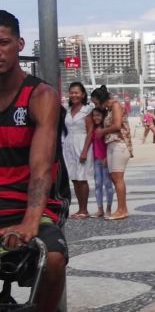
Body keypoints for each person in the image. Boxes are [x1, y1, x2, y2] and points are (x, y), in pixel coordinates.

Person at [0, 11, 71, 312]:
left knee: (54, 258)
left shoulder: (39, 96)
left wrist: (30, 222)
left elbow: (42, 166)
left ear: (19, 46)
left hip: (32, 205)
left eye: (3, 42)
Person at [91, 85, 133, 221]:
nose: (96, 106)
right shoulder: (109, 109)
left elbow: (117, 125)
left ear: (102, 99)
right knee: (114, 178)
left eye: (96, 103)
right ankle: (121, 208)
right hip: (112, 144)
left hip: (119, 143)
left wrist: (101, 132)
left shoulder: (115, 105)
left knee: (117, 178)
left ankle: (122, 209)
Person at [64, 81, 93, 219]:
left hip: (82, 143)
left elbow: (90, 131)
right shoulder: (68, 109)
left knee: (82, 178)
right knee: (74, 178)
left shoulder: (87, 110)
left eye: (77, 92)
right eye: (71, 92)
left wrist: (85, 151)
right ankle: (80, 209)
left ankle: (84, 209)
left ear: (82, 94)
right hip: (69, 144)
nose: (74, 95)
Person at [90, 107, 114, 218]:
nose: (96, 118)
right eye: (94, 115)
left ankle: (108, 208)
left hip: (105, 160)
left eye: (98, 115)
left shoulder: (105, 130)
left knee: (108, 184)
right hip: (96, 160)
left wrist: (106, 158)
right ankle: (100, 209)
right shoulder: (93, 129)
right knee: (98, 184)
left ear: (103, 116)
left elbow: (109, 144)